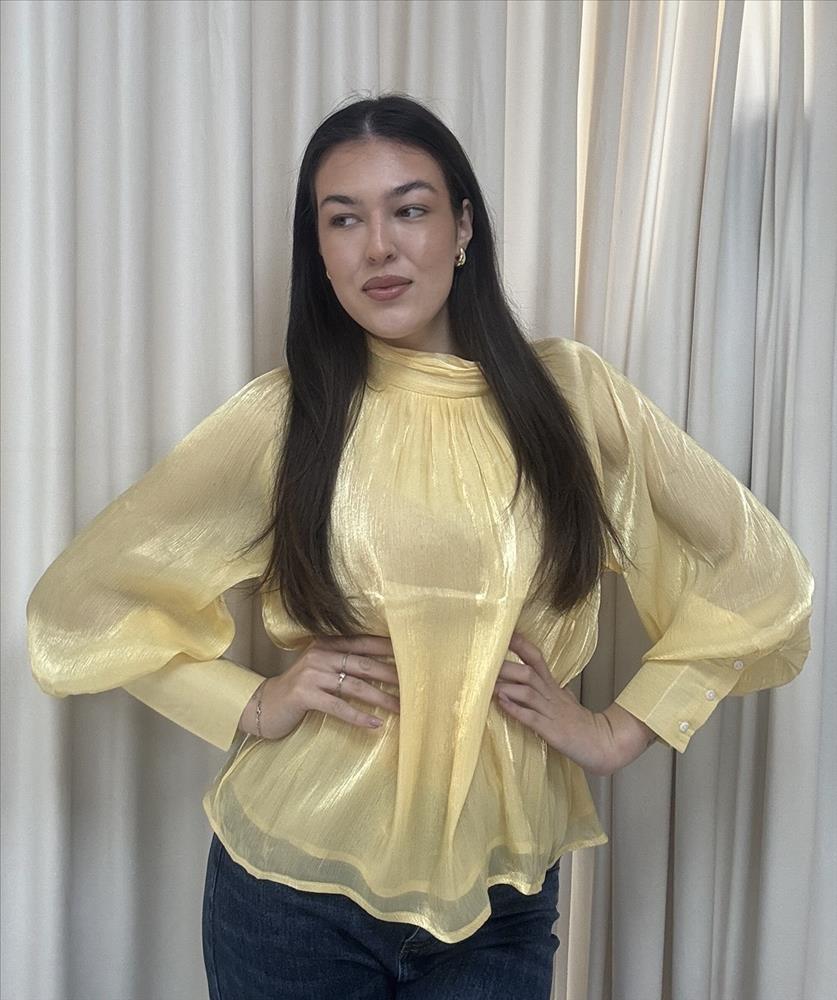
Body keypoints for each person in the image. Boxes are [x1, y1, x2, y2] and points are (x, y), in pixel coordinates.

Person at [26, 93, 814, 999]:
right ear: (318, 251)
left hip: (501, 894)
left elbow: (760, 575)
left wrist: (615, 731)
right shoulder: (286, 416)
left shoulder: (572, 395)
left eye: (408, 209)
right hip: (292, 891)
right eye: (343, 220)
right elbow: (80, 609)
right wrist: (249, 702)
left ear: (462, 226)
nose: (378, 248)